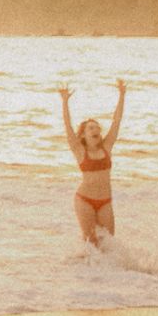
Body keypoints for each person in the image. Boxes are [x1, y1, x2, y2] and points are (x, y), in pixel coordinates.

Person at [60, 79, 126, 247]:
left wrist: (122, 95)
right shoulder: (79, 151)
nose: (96, 130)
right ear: (83, 135)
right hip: (85, 200)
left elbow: (116, 121)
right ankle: (86, 271)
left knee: (108, 244)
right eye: (91, 128)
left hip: (105, 201)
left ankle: (108, 273)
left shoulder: (107, 147)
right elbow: (67, 126)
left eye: (97, 127)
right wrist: (65, 102)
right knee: (91, 242)